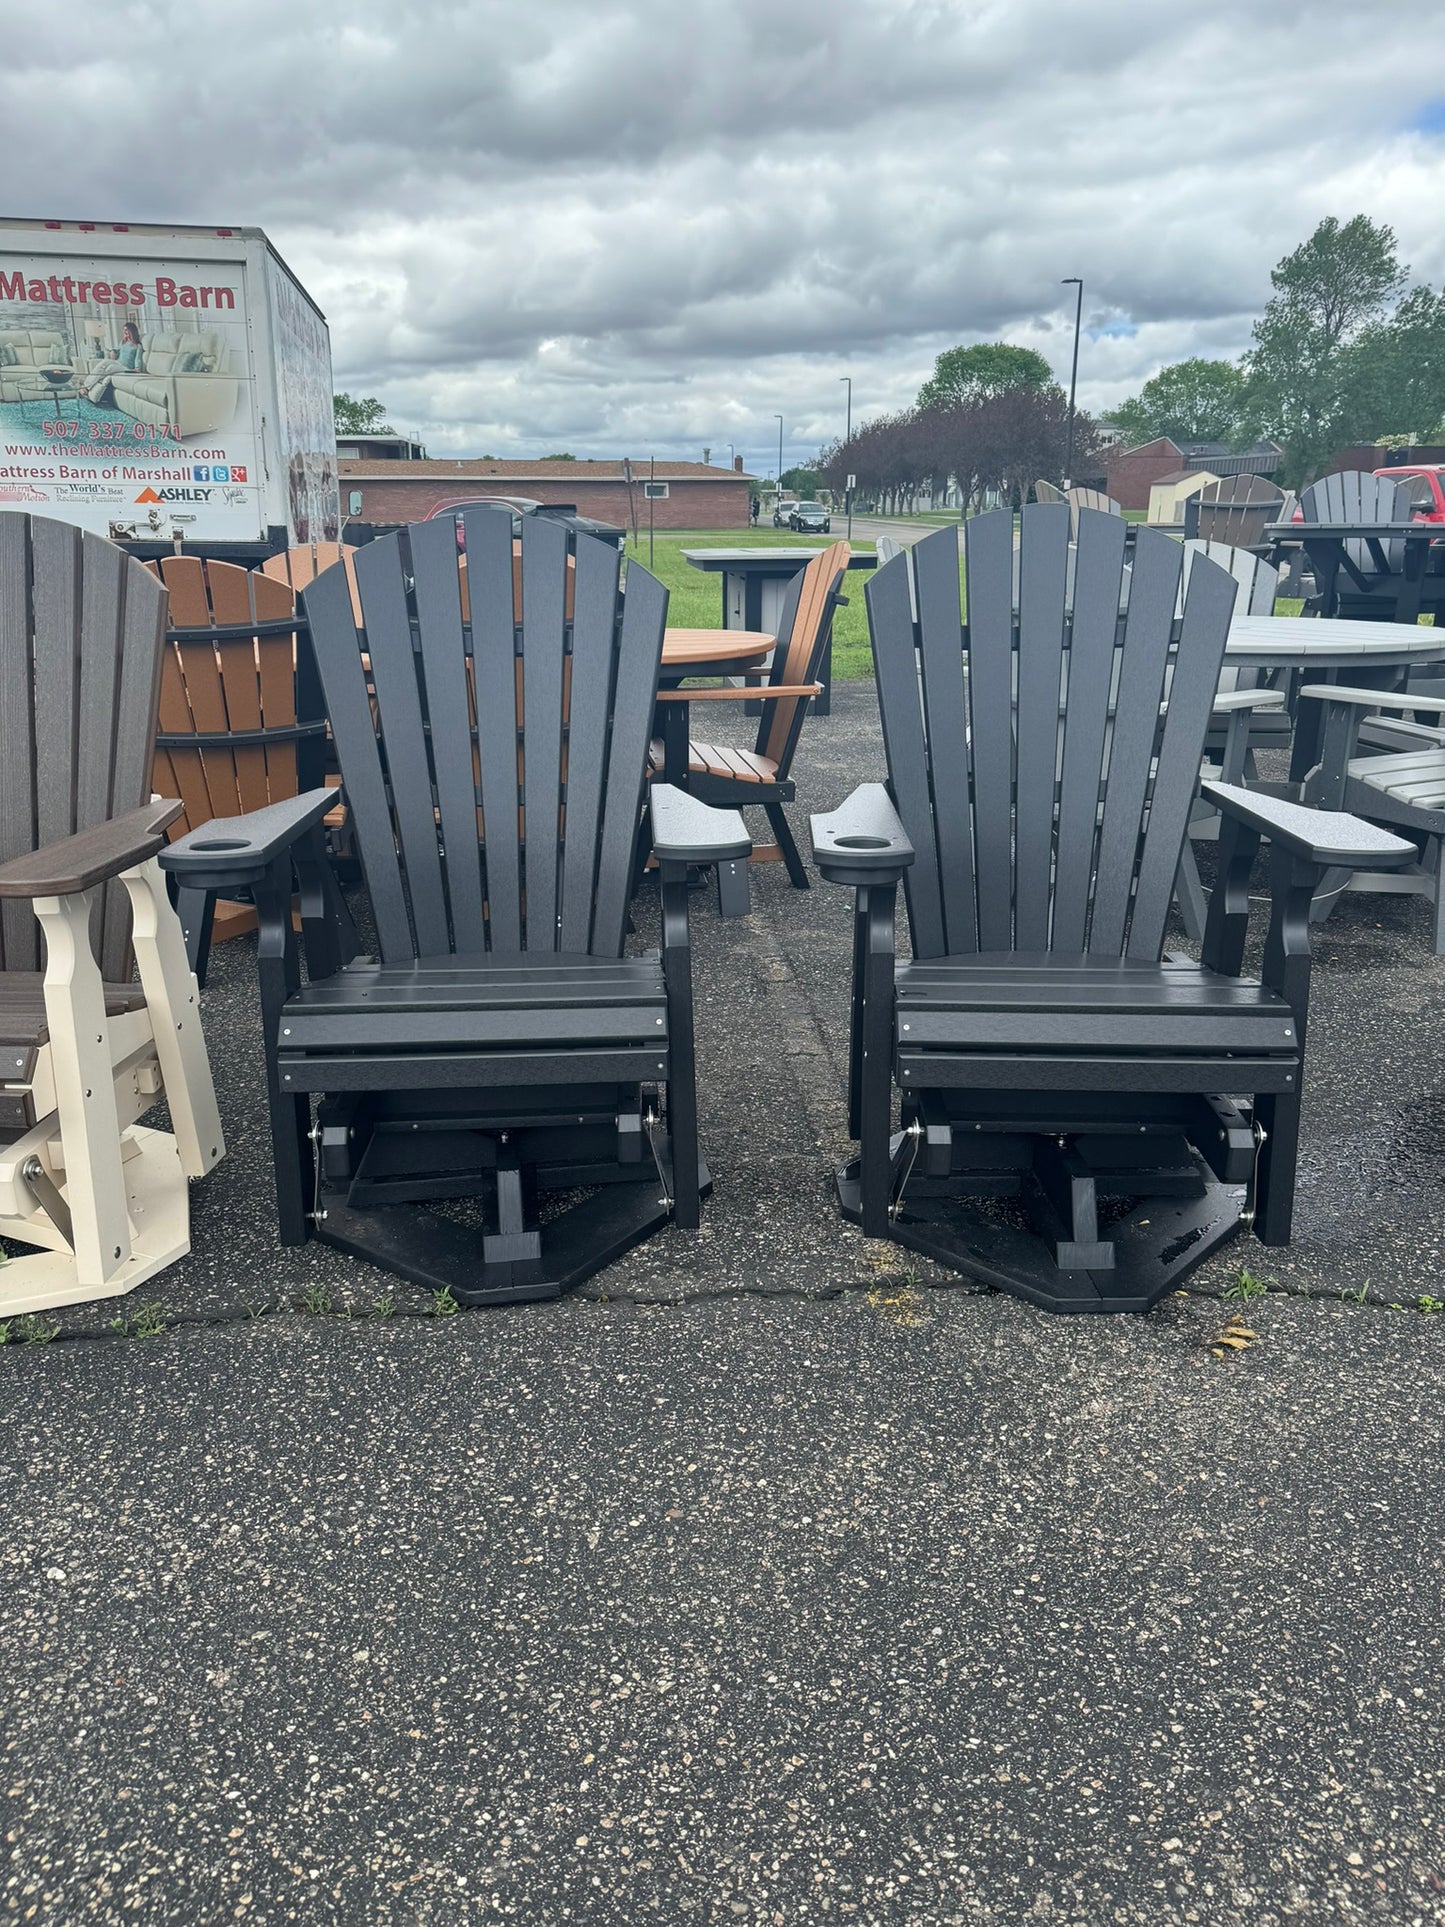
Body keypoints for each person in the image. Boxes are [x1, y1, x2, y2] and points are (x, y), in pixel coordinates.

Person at [79, 320, 144, 402]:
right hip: (118, 363)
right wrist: (113, 351)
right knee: (104, 362)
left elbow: (137, 359)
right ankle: (86, 385)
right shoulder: (123, 342)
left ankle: (87, 387)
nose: (125, 332)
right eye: (124, 330)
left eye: (127, 330)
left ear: (132, 331)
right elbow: (116, 350)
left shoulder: (138, 346)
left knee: (110, 368)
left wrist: (137, 368)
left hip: (126, 367)